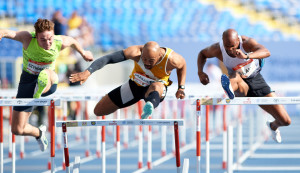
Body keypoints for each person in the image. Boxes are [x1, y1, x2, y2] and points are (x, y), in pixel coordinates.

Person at [0, 18, 93, 151]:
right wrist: (1, 33)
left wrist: (84, 53)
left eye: (50, 38)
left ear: (53, 34)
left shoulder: (59, 41)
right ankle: (39, 132)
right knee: (17, 129)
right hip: (28, 82)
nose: (48, 42)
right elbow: (8, 32)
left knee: (46, 74)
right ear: (35, 36)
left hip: (49, 79)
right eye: (43, 39)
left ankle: (40, 88)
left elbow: (72, 41)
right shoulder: (27, 38)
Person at [197, 28, 291, 143]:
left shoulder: (247, 43)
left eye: (233, 46)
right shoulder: (218, 48)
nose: (230, 50)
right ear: (222, 41)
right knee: (235, 75)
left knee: (285, 121)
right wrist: (200, 72)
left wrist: (246, 56)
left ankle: (273, 126)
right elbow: (202, 53)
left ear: (238, 40)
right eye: (227, 46)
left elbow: (266, 52)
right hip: (240, 84)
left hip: (256, 80)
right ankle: (229, 90)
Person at [70, 41, 186, 119]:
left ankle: (150, 105)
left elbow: (182, 66)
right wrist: (88, 72)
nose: (146, 63)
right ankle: (147, 101)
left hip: (155, 89)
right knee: (98, 111)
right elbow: (108, 58)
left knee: (156, 86)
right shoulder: (134, 52)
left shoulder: (172, 59)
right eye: (144, 59)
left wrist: (181, 87)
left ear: (159, 56)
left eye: (151, 61)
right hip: (135, 86)